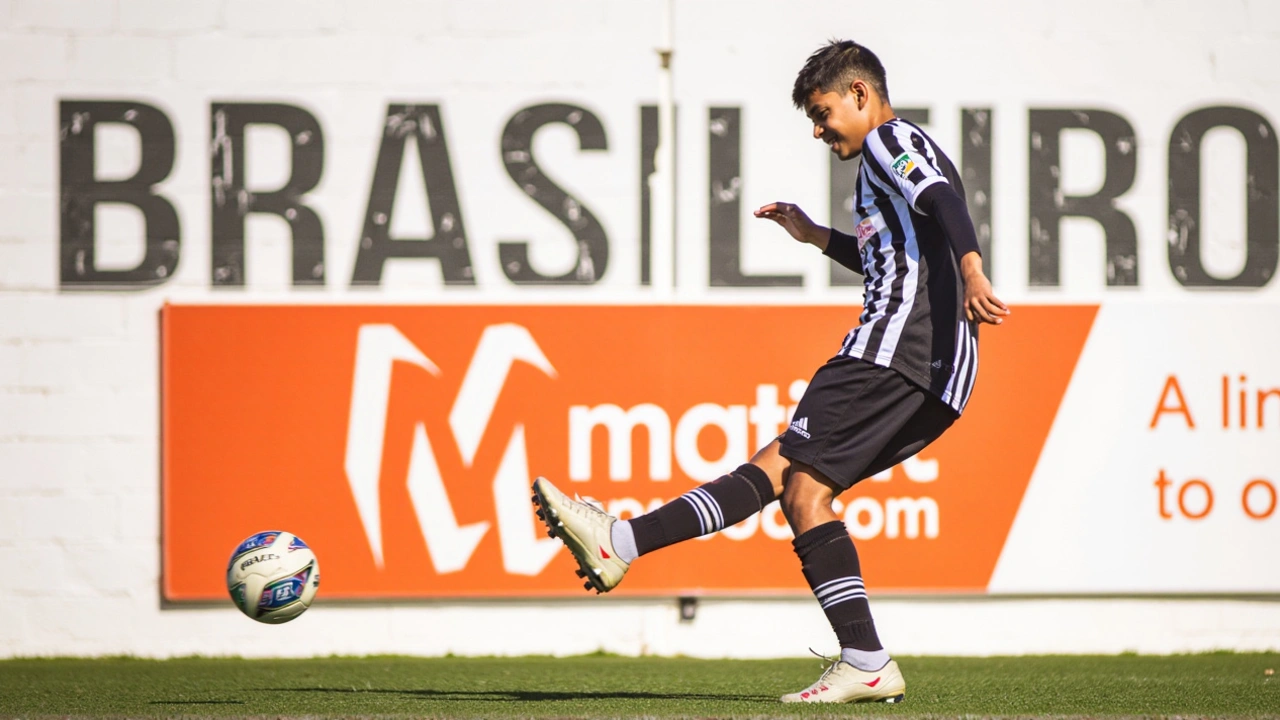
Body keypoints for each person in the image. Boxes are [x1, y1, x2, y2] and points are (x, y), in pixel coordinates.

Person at [531, 38, 1008, 704]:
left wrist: (973, 268)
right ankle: (623, 542)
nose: (818, 130)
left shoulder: (889, 141)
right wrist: (817, 237)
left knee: (797, 482)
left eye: (822, 112)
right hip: (933, 371)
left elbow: (942, 203)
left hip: (892, 349)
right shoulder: (881, 160)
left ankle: (862, 657)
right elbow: (896, 253)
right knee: (791, 478)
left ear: (860, 95)